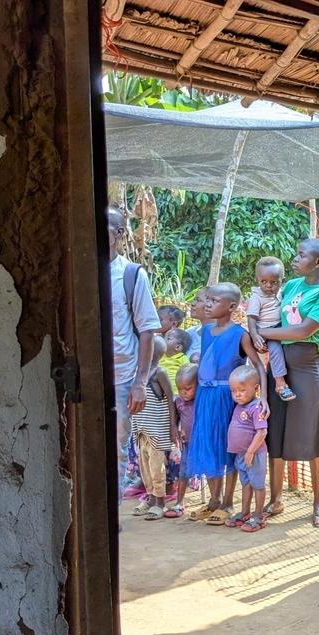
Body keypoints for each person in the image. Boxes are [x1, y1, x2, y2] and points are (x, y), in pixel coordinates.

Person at [255, 239, 319, 527]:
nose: (295, 258)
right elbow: (277, 323)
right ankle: (276, 499)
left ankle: (318, 502)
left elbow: (303, 330)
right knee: (274, 430)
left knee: (314, 432)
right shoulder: (290, 286)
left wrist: (261, 333)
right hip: (279, 365)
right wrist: (263, 333)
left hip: (306, 364)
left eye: (302, 255)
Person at [184, 282, 266, 524]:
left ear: (231, 306)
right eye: (207, 300)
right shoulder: (207, 331)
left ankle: (229, 503)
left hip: (226, 399)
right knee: (208, 445)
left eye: (214, 301)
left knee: (227, 448)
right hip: (205, 398)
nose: (208, 304)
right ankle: (213, 501)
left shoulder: (239, 334)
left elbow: (259, 366)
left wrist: (265, 400)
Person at [107, 205, 161, 496]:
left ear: (118, 233)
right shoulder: (76, 270)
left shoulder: (130, 275)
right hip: (84, 377)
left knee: (115, 448)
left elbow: (147, 331)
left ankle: (109, 518)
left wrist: (140, 383)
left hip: (121, 376)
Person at [129, 336, 180, 520]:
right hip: (141, 429)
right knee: (145, 468)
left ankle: (160, 503)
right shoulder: (138, 374)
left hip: (157, 430)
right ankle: (150, 499)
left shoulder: (160, 373)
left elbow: (170, 400)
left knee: (156, 467)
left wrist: (172, 426)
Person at [218, 366, 270, 532]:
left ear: (256, 389)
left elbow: (262, 432)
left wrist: (250, 451)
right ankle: (245, 512)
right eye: (234, 391)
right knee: (246, 483)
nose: (237, 394)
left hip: (254, 455)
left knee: (258, 485)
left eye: (241, 390)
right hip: (241, 455)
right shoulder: (239, 406)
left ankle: (258, 515)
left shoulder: (256, 407)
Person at [246, 256, 294, 402]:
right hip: (263, 331)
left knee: (278, 351)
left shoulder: (282, 293)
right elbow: (251, 318)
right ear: (257, 280)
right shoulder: (257, 297)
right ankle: (279, 384)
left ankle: (277, 383)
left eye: (274, 282)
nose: (269, 286)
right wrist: (254, 336)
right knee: (274, 351)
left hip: (278, 329)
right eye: (264, 282)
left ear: (282, 280)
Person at [167, 363, 198, 519]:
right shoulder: (178, 401)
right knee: (183, 472)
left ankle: (215, 502)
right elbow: (176, 420)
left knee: (212, 473)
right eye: (180, 389)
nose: (184, 393)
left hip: (202, 444)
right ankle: (179, 502)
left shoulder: (201, 401)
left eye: (188, 388)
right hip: (187, 443)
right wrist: (177, 433)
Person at [186, 289, 209, 364]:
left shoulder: (224, 337)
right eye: (194, 299)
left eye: (198, 300)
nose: (192, 304)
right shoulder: (189, 333)